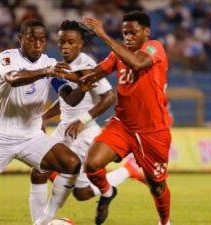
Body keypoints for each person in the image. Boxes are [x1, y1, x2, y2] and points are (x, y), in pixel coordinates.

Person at [0, 19, 86, 225]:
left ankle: (45, 220)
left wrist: (84, 87)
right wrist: (46, 72)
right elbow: (13, 78)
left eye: (42, 40)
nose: (37, 44)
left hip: (31, 137)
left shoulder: (50, 64)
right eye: (32, 39)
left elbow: (70, 98)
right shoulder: (8, 57)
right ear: (21, 38)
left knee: (71, 163)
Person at [29, 20, 146, 224]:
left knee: (75, 189)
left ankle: (128, 170)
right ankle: (42, 221)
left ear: (80, 44)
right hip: (63, 130)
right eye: (61, 42)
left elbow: (109, 96)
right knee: (43, 173)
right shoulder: (59, 67)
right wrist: (44, 116)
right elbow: (66, 101)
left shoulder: (87, 65)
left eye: (70, 42)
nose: (64, 46)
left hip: (83, 134)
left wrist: (83, 120)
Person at [79, 11, 172, 225]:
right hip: (123, 125)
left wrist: (103, 35)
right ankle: (107, 191)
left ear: (146, 32)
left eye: (132, 32)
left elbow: (137, 64)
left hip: (153, 131)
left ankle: (164, 222)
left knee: (157, 186)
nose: (128, 37)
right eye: (124, 33)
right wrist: (77, 78)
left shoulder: (153, 47)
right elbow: (96, 72)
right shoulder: (118, 54)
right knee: (92, 164)